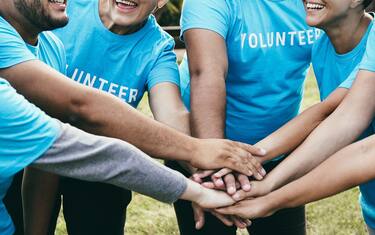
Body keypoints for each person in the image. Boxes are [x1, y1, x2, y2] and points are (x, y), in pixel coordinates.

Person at [0, 0, 265, 234]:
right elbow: (76, 109)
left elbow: (171, 113)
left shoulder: (157, 47)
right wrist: (198, 150)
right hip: (34, 152)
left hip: (101, 162)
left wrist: (213, 174)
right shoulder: (58, 13)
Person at [0, 76, 247, 235]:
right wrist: (201, 183)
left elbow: (169, 112)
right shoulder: (50, 24)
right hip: (38, 155)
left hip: (81, 164)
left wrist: (206, 168)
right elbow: (83, 112)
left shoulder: (46, 37)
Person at [214, 0, 375, 233]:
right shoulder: (322, 46)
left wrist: (273, 197)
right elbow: (341, 119)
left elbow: (366, 151)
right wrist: (257, 170)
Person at [173, 0, 320, 234]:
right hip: (201, 152)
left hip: (275, 154)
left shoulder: (312, 3)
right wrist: (214, 168)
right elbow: (207, 73)